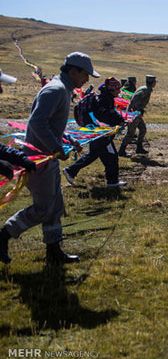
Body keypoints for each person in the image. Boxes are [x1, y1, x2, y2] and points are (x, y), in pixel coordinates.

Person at [0, 52, 100, 265]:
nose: (87, 80)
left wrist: (67, 140)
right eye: (85, 74)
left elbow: (51, 123)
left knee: (55, 204)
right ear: (73, 70)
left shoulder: (63, 89)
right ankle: (4, 235)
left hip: (47, 156)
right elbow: (37, 123)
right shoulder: (56, 90)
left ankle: (53, 252)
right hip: (38, 159)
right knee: (44, 207)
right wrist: (56, 146)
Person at [63, 77, 127, 187]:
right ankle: (112, 182)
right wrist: (120, 120)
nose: (119, 91)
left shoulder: (103, 98)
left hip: (97, 132)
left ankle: (70, 170)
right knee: (111, 156)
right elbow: (105, 114)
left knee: (94, 154)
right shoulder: (105, 99)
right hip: (101, 133)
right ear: (112, 89)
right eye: (118, 89)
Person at [118, 75, 156, 157]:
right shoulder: (145, 90)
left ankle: (139, 147)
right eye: (155, 82)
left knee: (143, 129)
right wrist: (138, 110)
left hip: (136, 113)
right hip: (133, 114)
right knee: (131, 133)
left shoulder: (146, 89)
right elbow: (135, 100)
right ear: (152, 82)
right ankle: (121, 150)